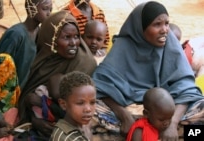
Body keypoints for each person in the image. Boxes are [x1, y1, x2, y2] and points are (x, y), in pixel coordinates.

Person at [92, 1, 204, 140]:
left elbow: (186, 89)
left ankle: (174, 134)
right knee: (89, 110)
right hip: (127, 111)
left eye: (166, 23)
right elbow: (100, 84)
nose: (164, 30)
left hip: (167, 114)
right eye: (157, 24)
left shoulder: (170, 44)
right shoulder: (124, 46)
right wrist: (124, 115)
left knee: (201, 114)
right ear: (140, 28)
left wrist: (173, 123)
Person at [17, 10, 97, 139]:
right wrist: (34, 119)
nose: (73, 43)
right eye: (66, 37)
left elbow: (79, 107)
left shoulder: (84, 63)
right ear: (50, 40)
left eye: (76, 36)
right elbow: (26, 96)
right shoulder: (41, 59)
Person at [0, 0, 52, 90]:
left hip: (22, 89)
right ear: (31, 8)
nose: (49, 14)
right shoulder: (16, 34)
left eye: (50, 10)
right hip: (5, 90)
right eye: (45, 9)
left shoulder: (38, 32)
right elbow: (1, 65)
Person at [50, 71, 96, 141]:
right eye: (80, 103)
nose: (88, 109)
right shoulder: (65, 138)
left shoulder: (81, 126)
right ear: (63, 104)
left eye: (92, 102)